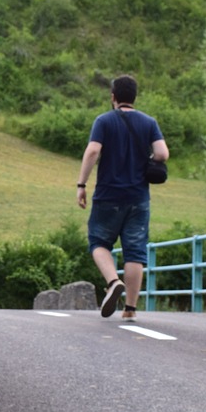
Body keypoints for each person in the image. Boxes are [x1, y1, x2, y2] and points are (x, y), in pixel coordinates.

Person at [76, 75, 169, 319]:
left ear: (113, 97)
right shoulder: (149, 122)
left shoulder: (104, 121)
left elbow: (93, 150)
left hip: (108, 194)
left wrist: (81, 184)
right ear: (134, 97)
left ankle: (112, 281)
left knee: (98, 242)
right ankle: (130, 309)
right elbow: (162, 153)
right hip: (138, 197)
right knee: (135, 251)